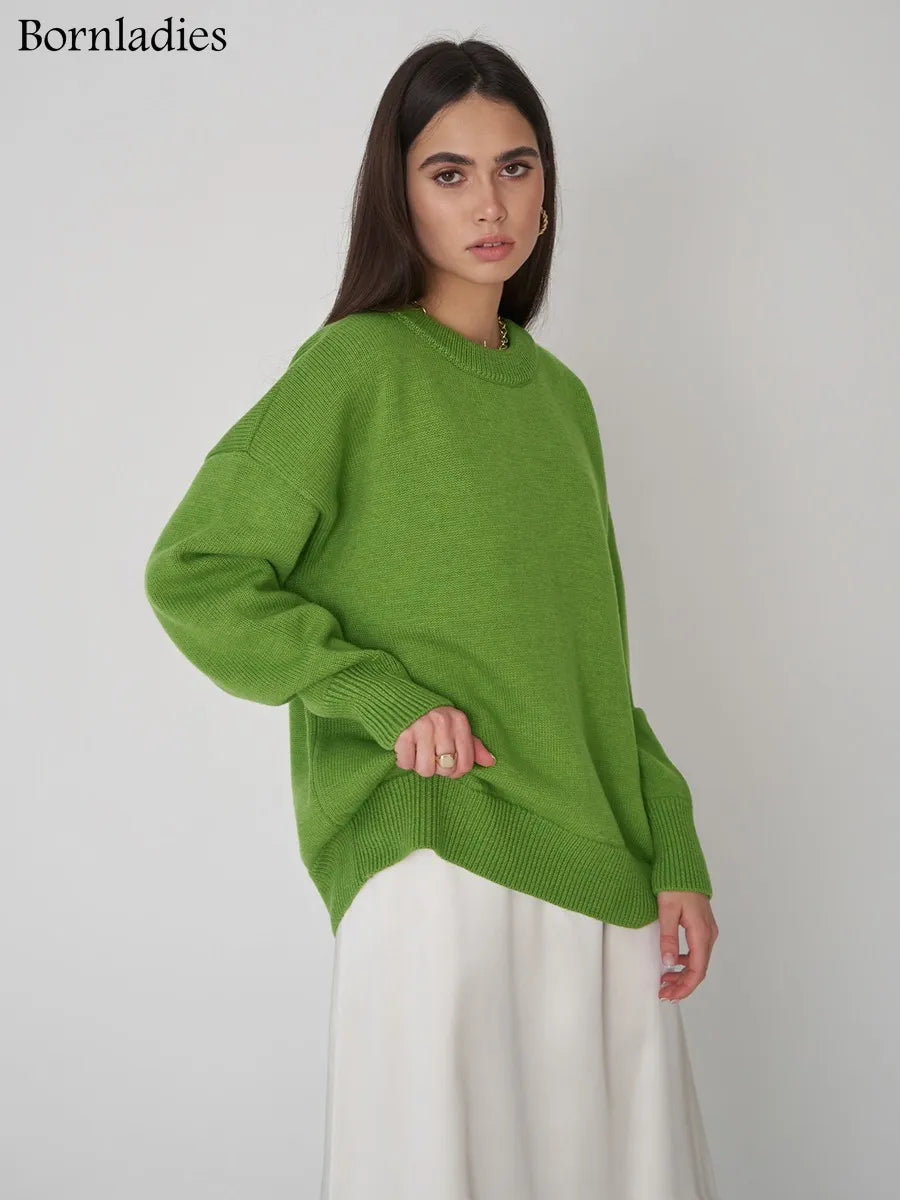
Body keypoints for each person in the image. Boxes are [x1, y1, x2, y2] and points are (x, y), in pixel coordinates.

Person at [144, 36, 721, 1200]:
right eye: (448, 173)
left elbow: (589, 662)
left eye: (515, 167)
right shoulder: (354, 370)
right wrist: (382, 698)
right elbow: (197, 571)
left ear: (548, 190)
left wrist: (674, 846)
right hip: (437, 854)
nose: (489, 203)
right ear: (397, 194)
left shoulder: (561, 402)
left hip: (596, 855)